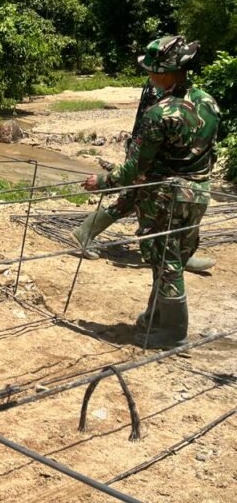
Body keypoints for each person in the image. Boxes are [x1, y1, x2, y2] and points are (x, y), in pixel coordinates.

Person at [83, 36, 220, 349]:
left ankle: (172, 333)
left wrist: (101, 183)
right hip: (197, 194)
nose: (149, 77)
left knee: (166, 263)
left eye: (152, 71)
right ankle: (155, 318)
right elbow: (207, 153)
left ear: (165, 72)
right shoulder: (209, 102)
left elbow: (134, 167)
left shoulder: (159, 114)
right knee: (174, 259)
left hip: (165, 197)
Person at [72, 78, 216, 273]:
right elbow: (147, 124)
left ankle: (84, 232)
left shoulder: (188, 93)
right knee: (136, 196)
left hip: (162, 159)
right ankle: (175, 254)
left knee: (130, 198)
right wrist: (107, 180)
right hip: (152, 154)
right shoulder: (161, 89)